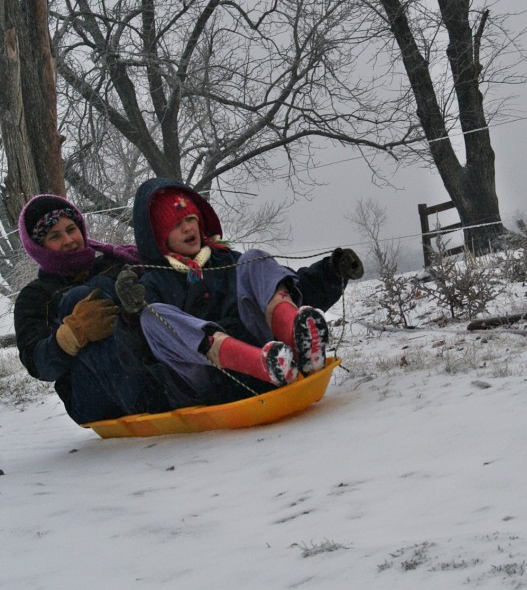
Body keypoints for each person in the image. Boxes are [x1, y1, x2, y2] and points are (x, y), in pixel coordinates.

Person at [114, 178, 364, 409]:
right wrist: (130, 316)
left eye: (190, 219)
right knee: (151, 314)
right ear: (160, 237)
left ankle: (297, 343)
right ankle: (259, 364)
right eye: (177, 225)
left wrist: (331, 272)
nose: (188, 228)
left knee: (254, 259)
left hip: (269, 352)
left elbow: (286, 285)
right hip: (208, 381)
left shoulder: (228, 260)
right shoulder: (153, 282)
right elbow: (137, 357)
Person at [14, 194, 167, 424]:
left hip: (145, 367)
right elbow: (37, 364)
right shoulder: (35, 296)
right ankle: (152, 398)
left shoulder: (112, 264)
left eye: (71, 229)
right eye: (55, 236)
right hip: (90, 396)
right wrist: (70, 336)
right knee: (79, 297)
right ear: (39, 247)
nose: (68, 240)